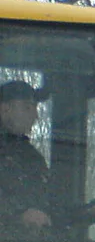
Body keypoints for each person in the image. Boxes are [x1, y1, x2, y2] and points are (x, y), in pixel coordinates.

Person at [0, 80, 51, 229]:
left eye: (35, 108)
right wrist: (18, 215)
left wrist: (84, 213)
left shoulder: (31, 156)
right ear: (5, 109)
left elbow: (47, 203)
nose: (36, 116)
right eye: (27, 107)